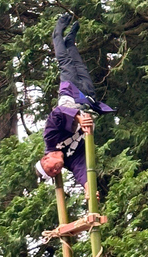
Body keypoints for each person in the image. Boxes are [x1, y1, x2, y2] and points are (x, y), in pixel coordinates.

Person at [36, 13, 113, 199]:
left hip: (71, 94)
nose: (56, 170)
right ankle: (70, 42)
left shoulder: (50, 138)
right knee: (80, 66)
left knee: (66, 63)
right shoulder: (69, 158)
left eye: (51, 168)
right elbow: (80, 168)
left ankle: (57, 33)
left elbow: (58, 113)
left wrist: (77, 117)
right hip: (88, 98)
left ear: (46, 158)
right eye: (55, 173)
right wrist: (88, 187)